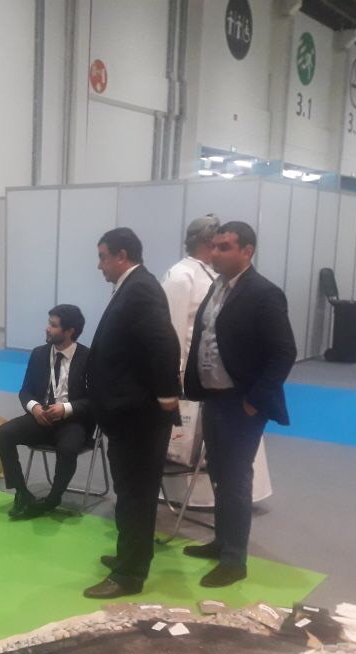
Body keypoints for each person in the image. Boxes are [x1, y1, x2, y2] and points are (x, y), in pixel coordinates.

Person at [183, 222, 297, 587]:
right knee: (218, 474)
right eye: (214, 246)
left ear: (247, 251)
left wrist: (254, 401)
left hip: (241, 402)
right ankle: (221, 542)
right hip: (214, 397)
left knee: (234, 479)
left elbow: (284, 352)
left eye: (225, 247)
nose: (215, 253)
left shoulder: (264, 293)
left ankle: (234, 560)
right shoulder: (217, 287)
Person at [83, 227, 181, 599]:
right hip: (127, 414)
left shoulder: (140, 288)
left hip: (139, 416)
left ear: (122, 255)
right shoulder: (133, 287)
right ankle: (130, 555)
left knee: (137, 495)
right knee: (128, 492)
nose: (99, 266)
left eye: (103, 257)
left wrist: (167, 396)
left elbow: (163, 343)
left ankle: (129, 575)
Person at [0, 304, 94, 519]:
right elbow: (25, 391)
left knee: (68, 449)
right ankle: (21, 493)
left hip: (73, 421)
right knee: (3, 433)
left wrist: (65, 408)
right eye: (49, 323)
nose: (47, 328)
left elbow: (96, 399)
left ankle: (52, 499)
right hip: (41, 417)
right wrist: (35, 407)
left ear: (69, 331)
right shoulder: (39, 354)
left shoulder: (88, 357)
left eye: (53, 325)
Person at [161, 214, 219, 364]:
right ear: (210, 241)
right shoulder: (180, 274)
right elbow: (172, 329)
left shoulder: (214, 273)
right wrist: (177, 370)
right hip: (186, 369)